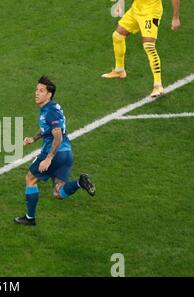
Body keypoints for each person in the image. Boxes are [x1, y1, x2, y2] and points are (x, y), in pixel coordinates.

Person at [14, 76, 96, 226]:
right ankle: (79, 182)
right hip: (66, 154)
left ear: (49, 94)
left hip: (54, 152)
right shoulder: (51, 108)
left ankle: (30, 218)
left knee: (30, 179)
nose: (36, 93)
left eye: (41, 91)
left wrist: (49, 157)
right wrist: (33, 138)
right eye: (36, 90)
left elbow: (57, 135)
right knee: (58, 192)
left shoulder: (50, 111)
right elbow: (47, 129)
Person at [101, 0, 181, 97]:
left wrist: (175, 18)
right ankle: (119, 70)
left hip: (151, 12)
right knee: (117, 35)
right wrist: (120, 3)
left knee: (149, 46)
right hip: (136, 9)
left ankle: (158, 86)